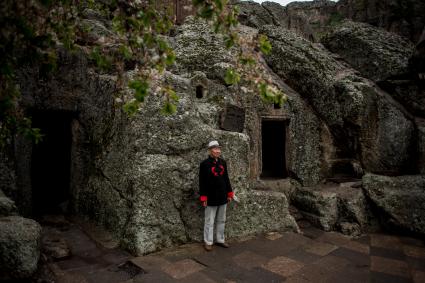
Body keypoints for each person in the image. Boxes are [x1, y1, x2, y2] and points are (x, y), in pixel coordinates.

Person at [199, 140, 234, 251]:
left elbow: (226, 178)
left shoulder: (223, 162)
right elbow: (202, 181)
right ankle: (208, 241)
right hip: (211, 196)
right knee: (209, 220)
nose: (217, 151)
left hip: (223, 195)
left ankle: (220, 239)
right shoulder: (204, 164)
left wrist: (229, 193)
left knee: (221, 219)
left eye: (219, 148)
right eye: (215, 149)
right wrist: (203, 197)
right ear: (210, 151)